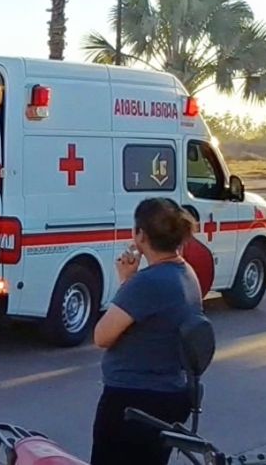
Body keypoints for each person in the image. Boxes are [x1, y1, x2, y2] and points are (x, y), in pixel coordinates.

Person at [91, 198, 206, 465]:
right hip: (168, 395)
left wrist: (126, 283)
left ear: (140, 235)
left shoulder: (148, 283)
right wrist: (131, 280)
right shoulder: (185, 272)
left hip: (134, 402)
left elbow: (102, 336)